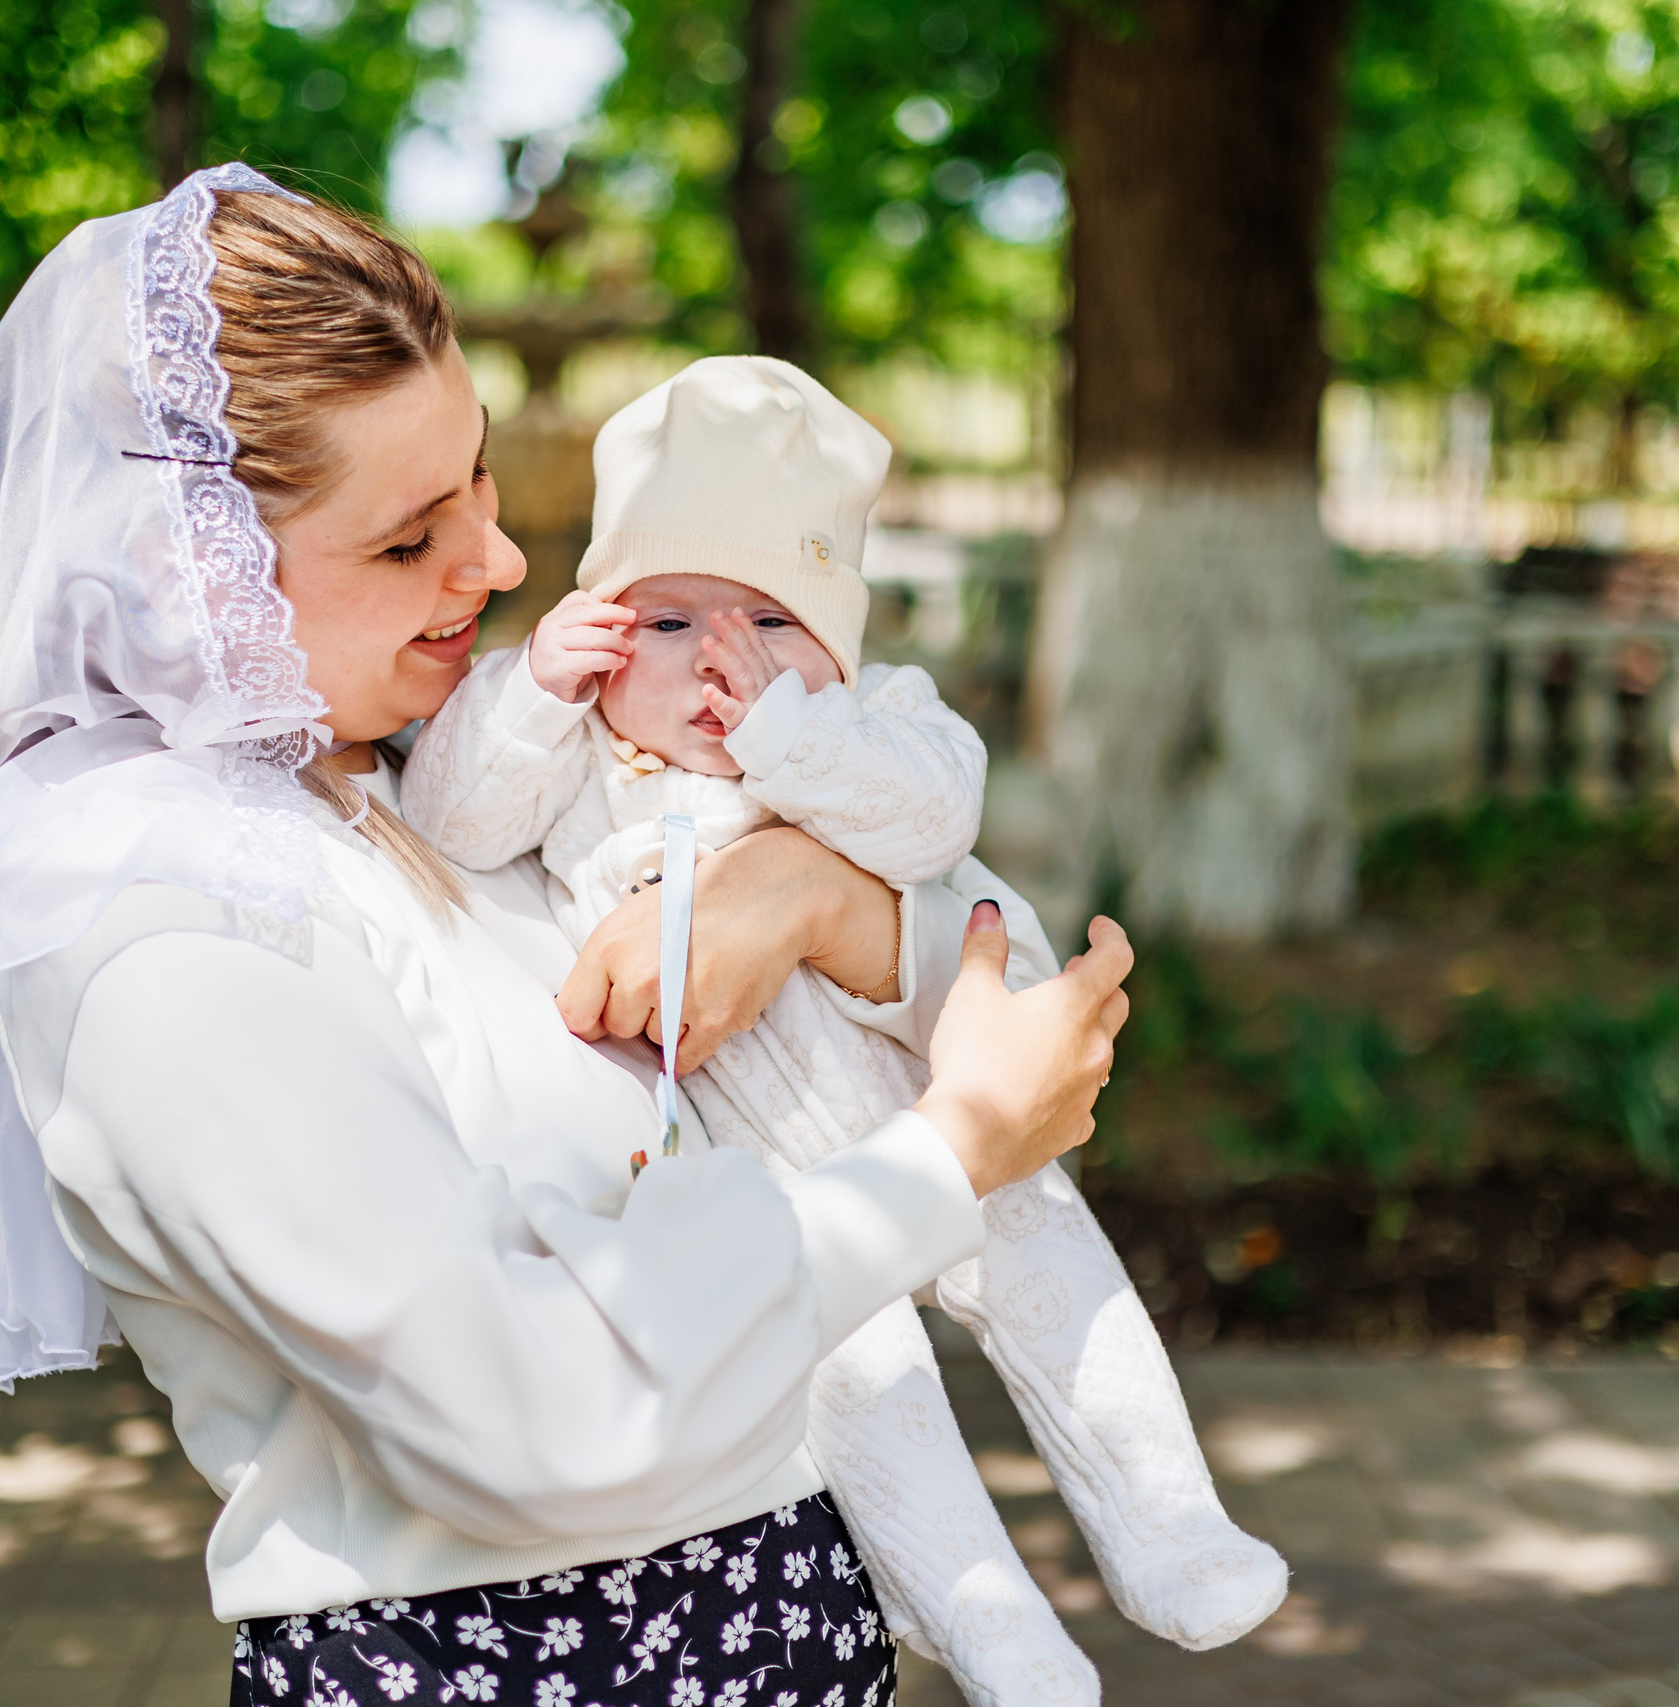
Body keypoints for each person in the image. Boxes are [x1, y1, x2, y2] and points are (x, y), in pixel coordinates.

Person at [0, 165, 1133, 1707]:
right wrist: (948, 1157)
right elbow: (528, 1414)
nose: (497, 566)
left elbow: (982, 955)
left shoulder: (414, 770)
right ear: (186, 575)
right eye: (412, 540)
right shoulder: (165, 933)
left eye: (481, 484)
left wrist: (817, 901)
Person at [403, 357, 1285, 1706]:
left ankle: (1172, 1528)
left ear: (837, 641)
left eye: (768, 617)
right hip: (757, 1181)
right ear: (599, 623)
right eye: (667, 619)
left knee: (1061, 1290)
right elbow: (453, 826)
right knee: (862, 1388)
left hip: (925, 1092)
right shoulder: (566, 754)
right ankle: (995, 1630)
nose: (718, 655)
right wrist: (534, 692)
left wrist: (785, 734)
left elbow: (930, 822)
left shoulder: (873, 722)